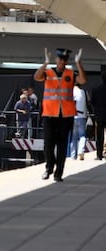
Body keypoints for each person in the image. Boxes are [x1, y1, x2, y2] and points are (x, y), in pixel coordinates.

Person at [34, 48, 87, 182]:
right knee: (48, 143)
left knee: (62, 145)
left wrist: (78, 63)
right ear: (56, 59)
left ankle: (59, 173)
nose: (62, 62)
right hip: (49, 114)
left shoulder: (71, 73)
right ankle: (49, 167)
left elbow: (83, 80)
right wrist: (45, 63)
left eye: (64, 60)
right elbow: (37, 77)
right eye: (60, 59)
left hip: (66, 115)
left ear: (66, 61)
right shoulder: (48, 72)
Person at [70, 83, 88, 160]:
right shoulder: (83, 92)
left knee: (73, 137)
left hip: (72, 116)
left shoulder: (70, 92)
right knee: (82, 135)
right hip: (82, 116)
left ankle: (73, 155)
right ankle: (81, 151)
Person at [90, 71, 106, 160]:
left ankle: (99, 155)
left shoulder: (96, 90)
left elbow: (92, 102)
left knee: (99, 136)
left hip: (99, 116)